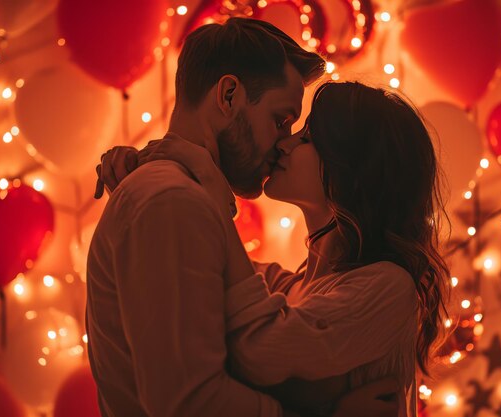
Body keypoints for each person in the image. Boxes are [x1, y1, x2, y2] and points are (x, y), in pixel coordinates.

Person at [86, 17, 399, 417]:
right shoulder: (174, 202)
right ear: (229, 95)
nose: (283, 143)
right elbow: (191, 404)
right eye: (280, 120)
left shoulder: (181, 197)